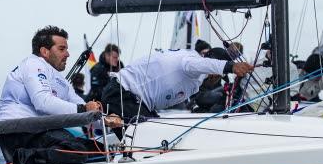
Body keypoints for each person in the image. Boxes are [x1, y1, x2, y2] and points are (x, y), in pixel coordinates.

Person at [0, 25, 118, 164]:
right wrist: (84, 108)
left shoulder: (62, 82)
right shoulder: (33, 64)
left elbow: (84, 114)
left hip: (40, 134)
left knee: (100, 152)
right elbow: (43, 102)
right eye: (62, 49)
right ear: (45, 51)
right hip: (19, 134)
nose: (67, 54)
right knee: (78, 150)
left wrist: (110, 122)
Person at [101, 47, 254, 124]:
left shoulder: (195, 77)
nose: (219, 78)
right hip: (123, 94)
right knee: (147, 140)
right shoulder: (192, 62)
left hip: (135, 100)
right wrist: (230, 67)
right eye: (220, 74)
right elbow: (200, 64)